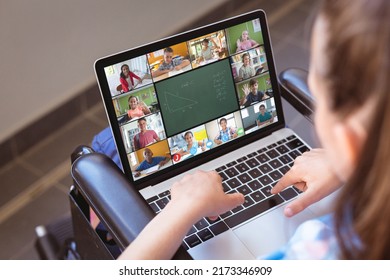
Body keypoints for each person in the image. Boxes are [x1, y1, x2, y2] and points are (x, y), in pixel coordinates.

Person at [119, 0, 390, 259]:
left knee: (108, 146)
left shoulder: (315, 250)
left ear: (349, 142)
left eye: (316, 76)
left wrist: (178, 211)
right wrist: (353, 165)